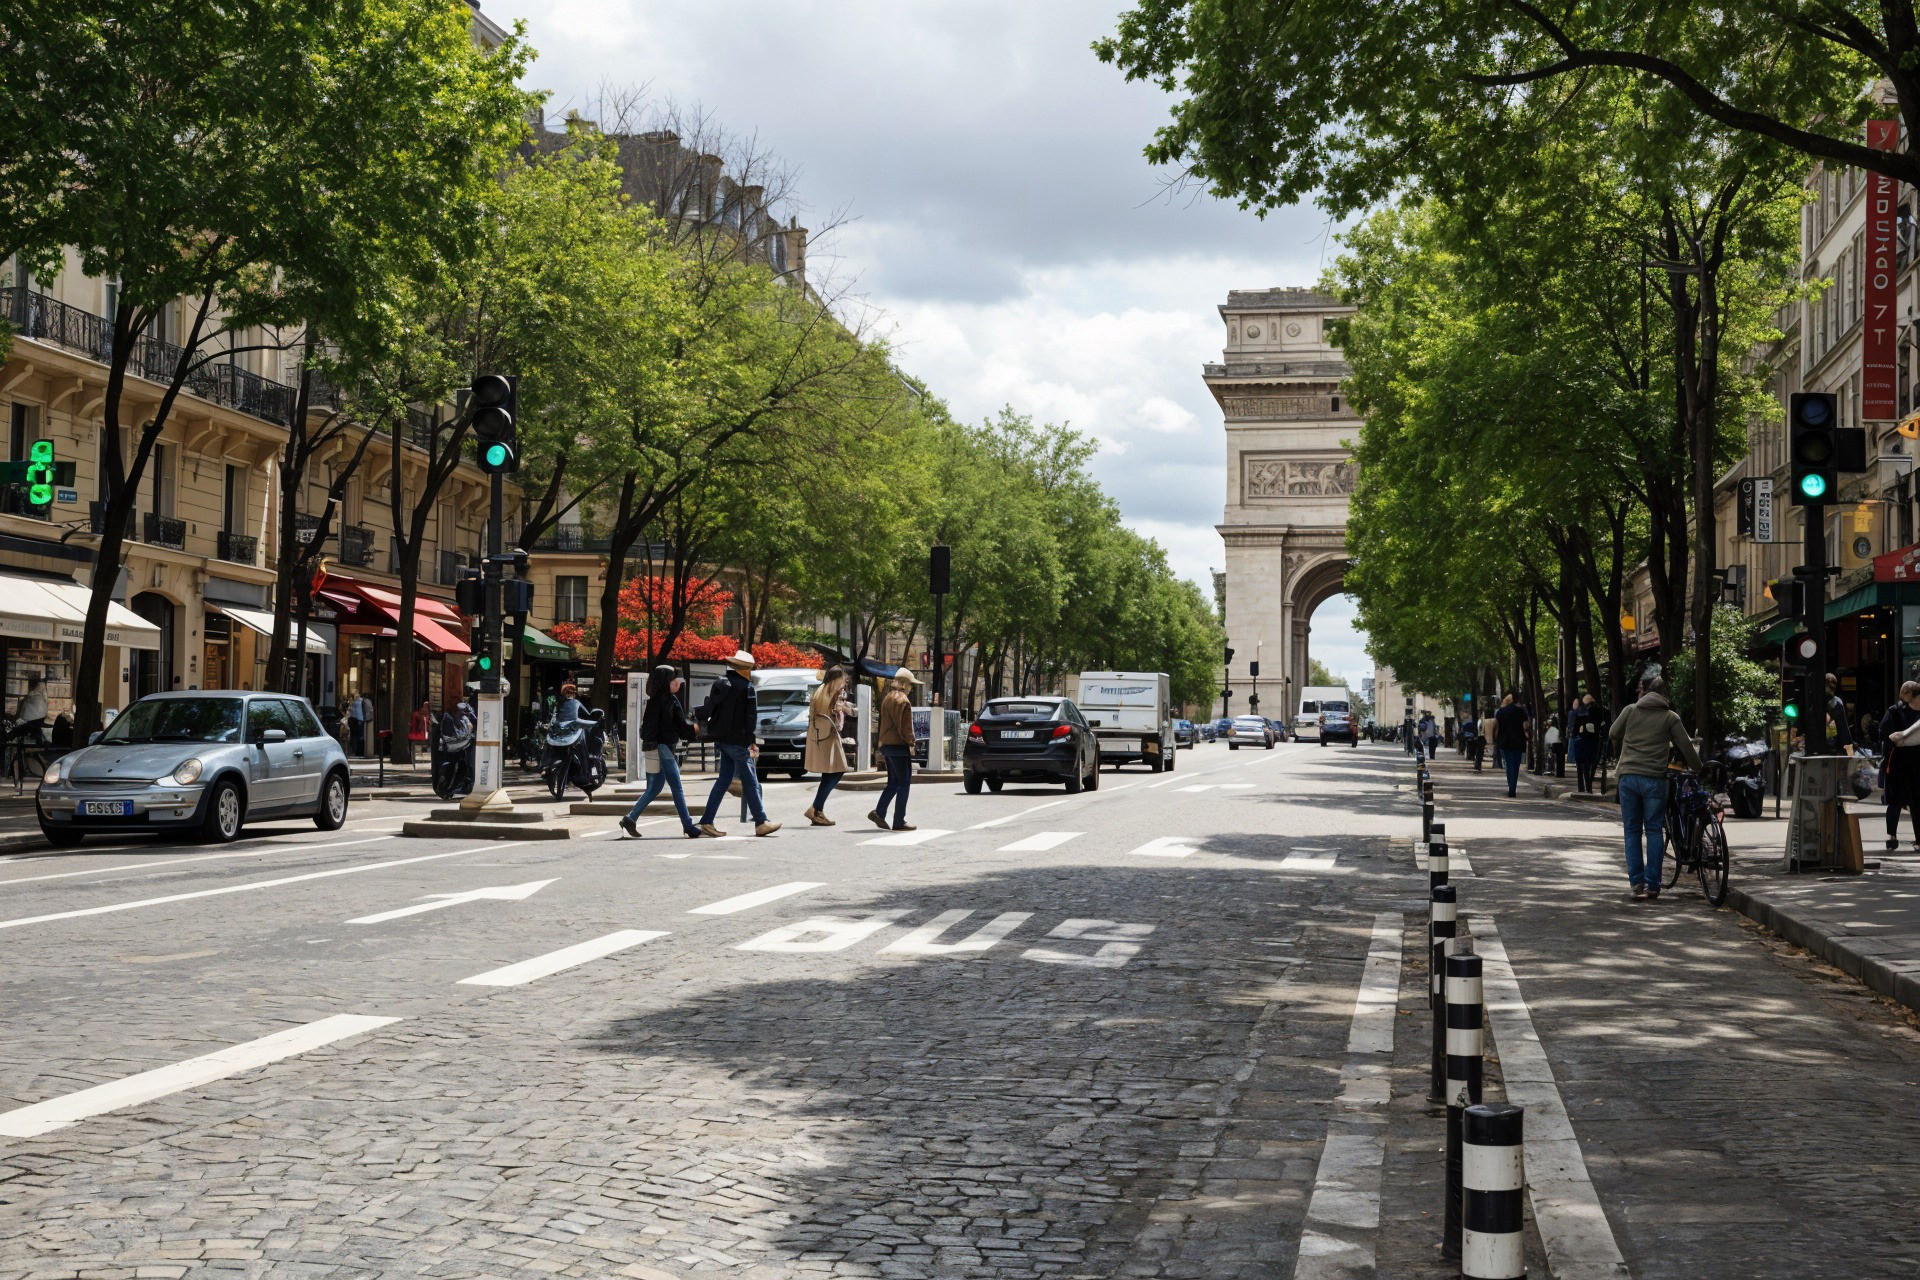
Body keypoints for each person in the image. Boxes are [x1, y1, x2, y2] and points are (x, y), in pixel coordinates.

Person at [1609, 674, 1702, 902]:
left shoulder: (1631, 711)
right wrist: (1700, 769)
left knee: (1631, 830)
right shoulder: (1670, 717)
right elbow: (1686, 747)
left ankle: (1636, 883)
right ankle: (1653, 885)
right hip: (1654, 779)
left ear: (1643, 692)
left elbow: (1613, 733)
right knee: (1653, 829)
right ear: (1664, 695)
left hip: (1628, 777)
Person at [696, 650, 780, 838]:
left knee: (723, 780)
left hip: (722, 738)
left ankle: (707, 822)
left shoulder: (720, 683)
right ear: (745, 668)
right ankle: (761, 821)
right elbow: (750, 717)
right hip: (738, 740)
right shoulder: (746, 687)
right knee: (750, 780)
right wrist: (750, 740)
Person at [620, 664, 700, 839]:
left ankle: (630, 818)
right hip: (664, 748)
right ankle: (688, 825)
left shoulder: (654, 699)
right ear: (666, 682)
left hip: (652, 747)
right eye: (673, 679)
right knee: (677, 788)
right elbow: (681, 725)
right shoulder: (670, 700)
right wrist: (695, 729)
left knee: (655, 787)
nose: (677, 682)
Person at [803, 666, 854, 826]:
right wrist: (841, 709)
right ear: (835, 679)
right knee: (837, 771)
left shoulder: (822, 690)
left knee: (830, 772)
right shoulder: (828, 693)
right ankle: (816, 808)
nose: (843, 683)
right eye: (841, 680)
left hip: (821, 736)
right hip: (827, 737)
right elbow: (831, 714)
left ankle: (817, 810)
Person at [870, 670, 918, 831]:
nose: (911, 688)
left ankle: (879, 812)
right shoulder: (903, 700)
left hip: (887, 745)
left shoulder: (887, 698)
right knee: (904, 784)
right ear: (905, 684)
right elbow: (905, 727)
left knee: (893, 783)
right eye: (911, 684)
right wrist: (911, 741)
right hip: (899, 746)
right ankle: (899, 821)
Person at [1493, 692, 1530, 797]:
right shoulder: (1521, 711)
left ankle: (1511, 787)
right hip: (1518, 740)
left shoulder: (1500, 712)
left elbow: (1497, 727)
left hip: (1505, 741)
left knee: (1509, 764)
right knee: (1516, 764)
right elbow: (1525, 726)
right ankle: (1513, 786)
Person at [1570, 694, 1601, 793]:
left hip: (1580, 742)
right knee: (1588, 766)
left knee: (1580, 766)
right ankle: (1589, 788)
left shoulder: (1579, 713)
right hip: (1592, 742)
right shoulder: (1599, 711)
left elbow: (1574, 730)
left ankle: (1581, 788)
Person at [11, 674, 46, 746]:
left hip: (30, 726)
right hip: (31, 726)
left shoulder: (33, 698)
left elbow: (22, 714)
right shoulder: (34, 697)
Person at [1826, 673, 1854, 754]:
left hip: (1833, 747)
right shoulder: (1816, 702)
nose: (1831, 687)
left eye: (1833, 684)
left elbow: (1844, 728)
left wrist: (1850, 753)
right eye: (1828, 684)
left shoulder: (1837, 703)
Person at [346, 691, 370, 756]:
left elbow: (349, 710)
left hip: (354, 720)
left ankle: (355, 751)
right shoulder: (361, 700)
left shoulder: (351, 701)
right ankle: (359, 752)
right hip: (360, 720)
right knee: (359, 736)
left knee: (354, 736)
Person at [1545, 713, 1565, 778]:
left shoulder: (1553, 728)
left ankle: (1552, 770)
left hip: (1555, 744)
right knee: (1558, 759)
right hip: (1559, 744)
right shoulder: (1559, 726)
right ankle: (1557, 771)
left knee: (1552, 756)